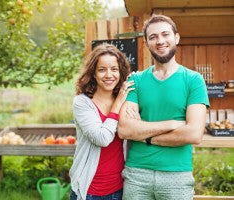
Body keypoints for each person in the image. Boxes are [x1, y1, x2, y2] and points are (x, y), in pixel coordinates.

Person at [118, 14, 210, 200]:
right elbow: (125, 129)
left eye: (165, 34)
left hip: (176, 176)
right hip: (137, 174)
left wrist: (145, 136)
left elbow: (193, 134)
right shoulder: (136, 80)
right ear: (146, 43)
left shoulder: (193, 80)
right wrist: (173, 124)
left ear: (176, 37)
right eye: (153, 37)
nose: (160, 41)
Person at [69, 43, 133, 200]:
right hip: (89, 190)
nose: (109, 75)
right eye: (102, 69)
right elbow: (102, 138)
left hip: (119, 188)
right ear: (94, 74)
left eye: (114, 69)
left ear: (121, 72)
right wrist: (117, 104)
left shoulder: (126, 100)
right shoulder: (82, 103)